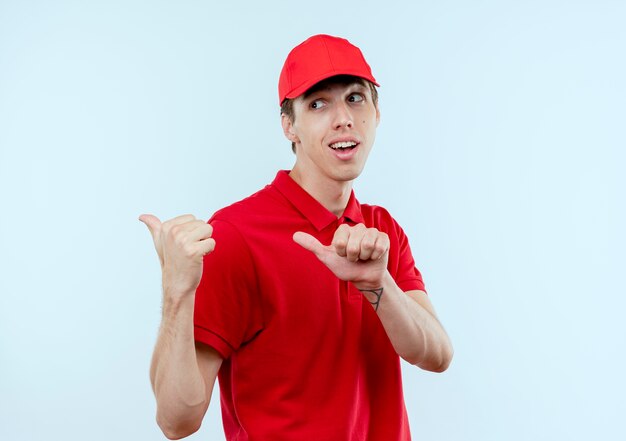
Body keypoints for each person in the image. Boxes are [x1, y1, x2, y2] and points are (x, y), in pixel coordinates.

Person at [140, 34, 453, 441]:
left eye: (355, 98)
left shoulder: (382, 230)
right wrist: (176, 295)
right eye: (318, 103)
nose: (343, 118)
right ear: (289, 125)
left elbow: (437, 355)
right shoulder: (235, 236)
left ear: (377, 114)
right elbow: (175, 421)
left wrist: (378, 284)